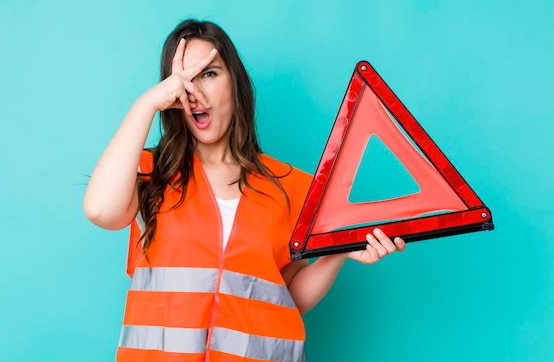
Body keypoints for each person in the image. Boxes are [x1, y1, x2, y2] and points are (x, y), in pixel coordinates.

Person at [84, 19, 406, 362]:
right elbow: (101, 210)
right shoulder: (150, 172)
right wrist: (147, 103)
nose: (195, 90)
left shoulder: (292, 186)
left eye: (209, 73)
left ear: (235, 82)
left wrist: (338, 252)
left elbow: (286, 296)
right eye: (184, 78)